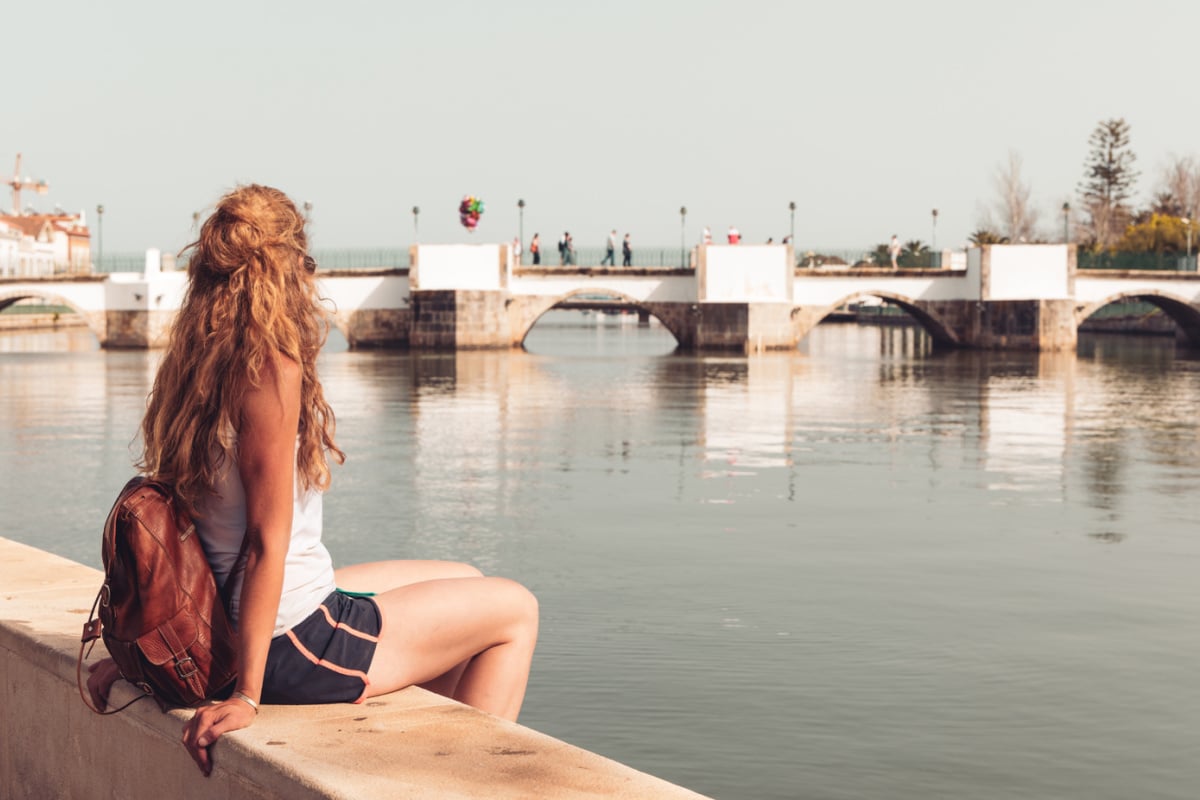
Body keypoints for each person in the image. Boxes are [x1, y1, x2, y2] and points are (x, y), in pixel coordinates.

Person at [85, 185, 539, 777]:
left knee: (463, 576)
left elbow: (188, 530)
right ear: (284, 269)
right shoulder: (269, 368)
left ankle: (416, 763)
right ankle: (458, 783)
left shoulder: (195, 366)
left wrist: (132, 660)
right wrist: (248, 694)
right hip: (288, 641)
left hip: (219, 615)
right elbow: (265, 542)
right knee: (514, 612)